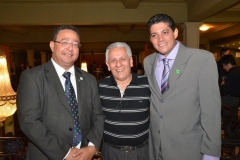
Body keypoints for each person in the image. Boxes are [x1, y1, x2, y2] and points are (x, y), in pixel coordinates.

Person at [17, 25, 105, 160]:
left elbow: (98, 115)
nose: (70, 48)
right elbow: (29, 122)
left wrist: (92, 147)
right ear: (52, 45)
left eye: (75, 44)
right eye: (64, 42)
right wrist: (64, 153)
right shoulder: (32, 77)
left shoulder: (89, 79)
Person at [143, 14, 221, 160]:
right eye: (154, 35)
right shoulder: (149, 62)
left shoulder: (202, 59)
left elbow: (211, 111)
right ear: (150, 39)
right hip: (155, 147)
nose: (160, 39)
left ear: (176, 32)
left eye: (165, 32)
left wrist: (211, 153)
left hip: (188, 148)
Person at [98, 42, 151, 160]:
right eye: (113, 60)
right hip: (110, 152)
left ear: (131, 61)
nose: (118, 64)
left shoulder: (147, 84)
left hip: (141, 152)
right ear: (108, 65)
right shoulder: (100, 87)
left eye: (123, 59)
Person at [220, 54, 240, 140]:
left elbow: (226, 90)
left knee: (227, 122)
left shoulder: (231, 74)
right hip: (237, 99)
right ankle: (236, 139)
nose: (223, 68)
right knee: (233, 121)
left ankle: (230, 141)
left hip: (228, 100)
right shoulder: (238, 71)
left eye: (224, 65)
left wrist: (222, 85)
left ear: (228, 64)